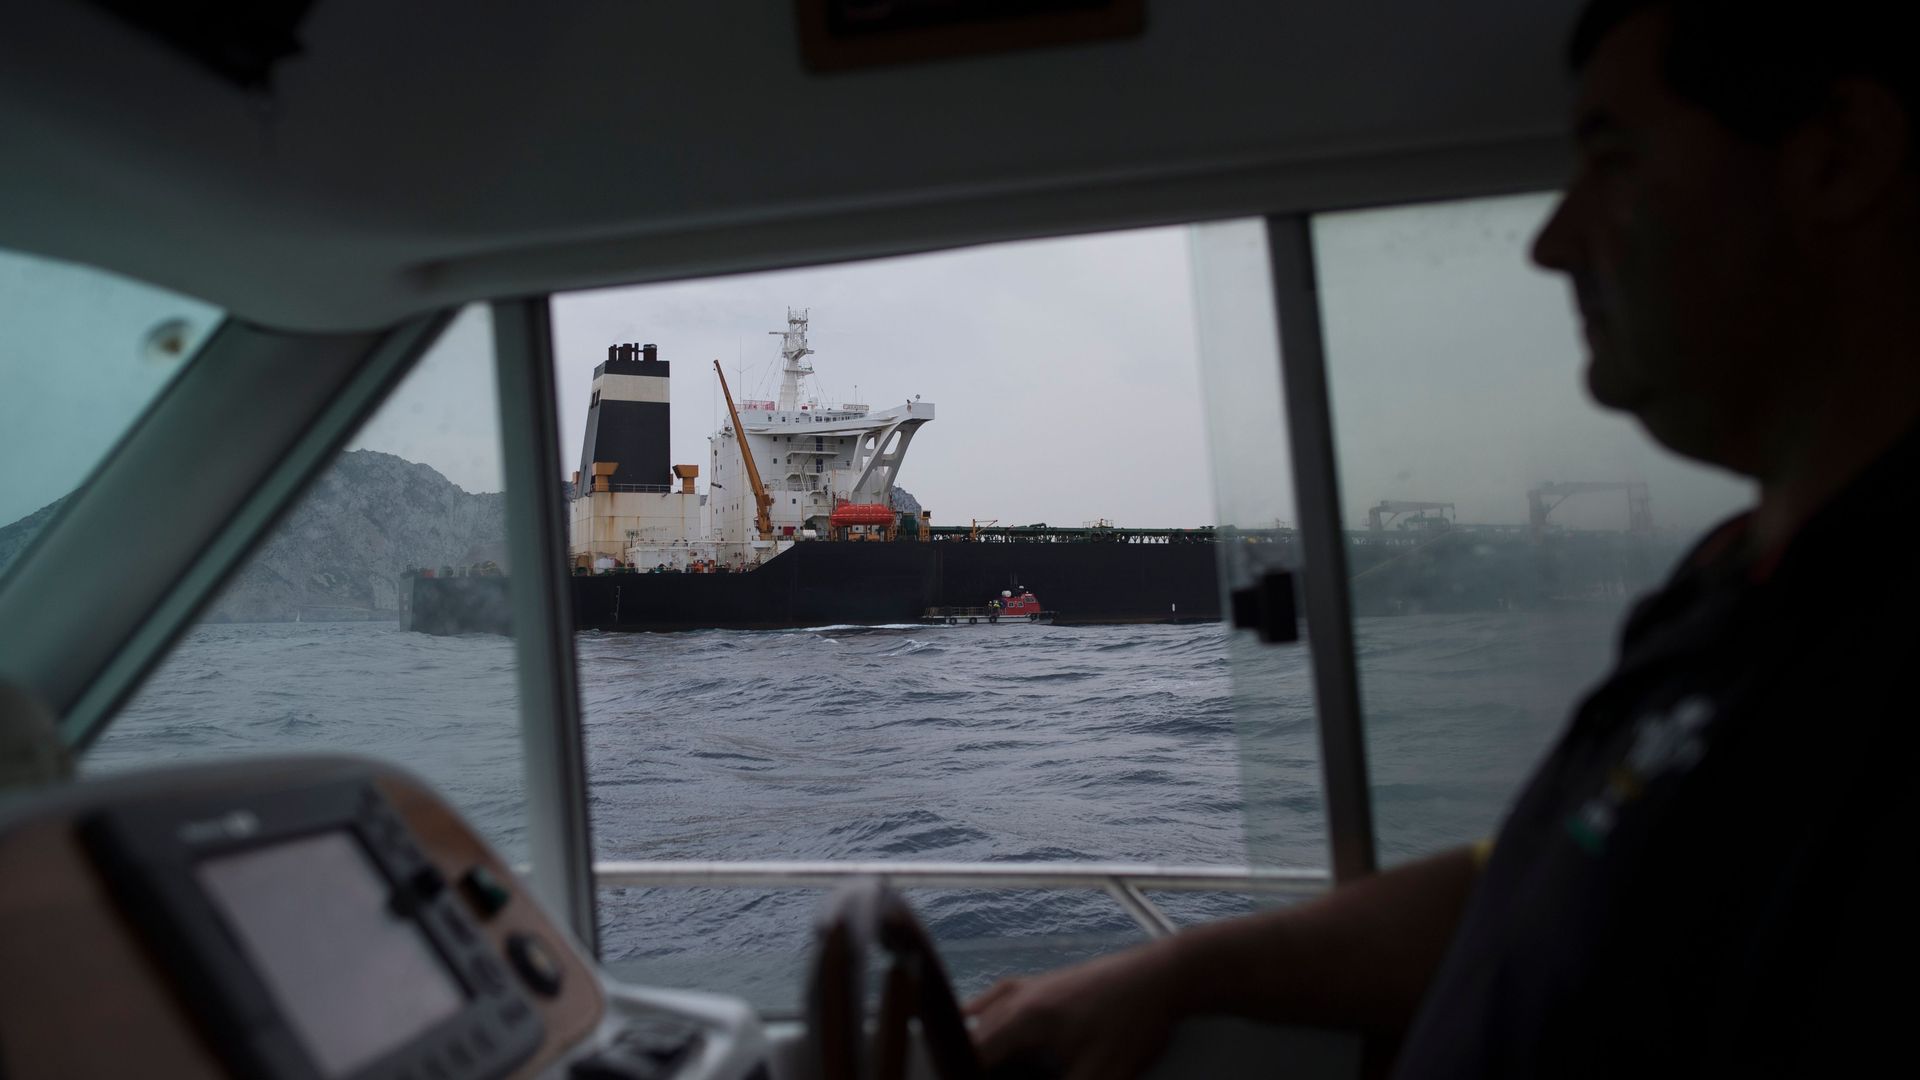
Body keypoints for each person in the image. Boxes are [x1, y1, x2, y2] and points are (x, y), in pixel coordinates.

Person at [967, 1, 1920, 1076]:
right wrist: (1181, 968)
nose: (1553, 241)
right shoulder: (1729, 588)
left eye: (1613, 162)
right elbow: (1538, 870)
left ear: (1840, 158)